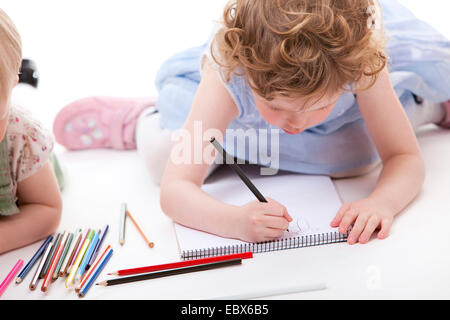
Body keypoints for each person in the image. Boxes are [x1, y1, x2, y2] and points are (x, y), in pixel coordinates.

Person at [53, 0, 450, 245]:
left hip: (338, 126)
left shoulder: (357, 62)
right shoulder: (230, 69)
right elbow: (176, 189)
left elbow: (404, 157)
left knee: (360, 159)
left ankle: (426, 106)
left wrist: (382, 202)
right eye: (278, 106)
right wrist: (234, 222)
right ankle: (140, 117)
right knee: (162, 159)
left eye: (317, 106)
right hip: (235, 120)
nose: (295, 124)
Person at [0, 9, 62, 254]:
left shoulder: (22, 136)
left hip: (33, 171)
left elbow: (47, 209)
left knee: (24, 107)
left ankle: (24, 78)